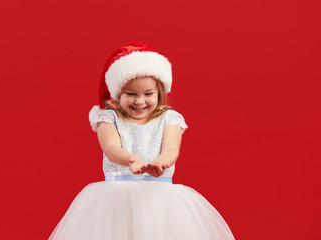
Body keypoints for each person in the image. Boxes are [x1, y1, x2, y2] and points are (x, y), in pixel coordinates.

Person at [48, 42, 235, 240]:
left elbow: (172, 147)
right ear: (118, 93)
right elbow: (111, 147)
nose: (139, 101)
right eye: (131, 94)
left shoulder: (169, 119)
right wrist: (130, 159)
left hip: (159, 198)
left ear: (160, 92)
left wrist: (162, 161)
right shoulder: (109, 118)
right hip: (116, 197)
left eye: (148, 94)